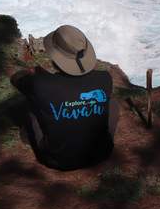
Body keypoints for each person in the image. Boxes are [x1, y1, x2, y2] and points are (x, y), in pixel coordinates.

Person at [11, 25, 117, 170]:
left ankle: (29, 137)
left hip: (57, 160)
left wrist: (34, 75)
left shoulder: (41, 84)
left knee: (32, 103)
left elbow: (16, 79)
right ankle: (102, 140)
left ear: (54, 56)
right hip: (101, 154)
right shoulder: (105, 78)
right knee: (111, 102)